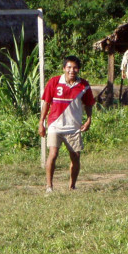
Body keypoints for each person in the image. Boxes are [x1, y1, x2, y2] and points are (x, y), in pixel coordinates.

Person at [38, 55, 95, 192]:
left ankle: (72, 186)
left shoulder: (83, 85)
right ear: (64, 68)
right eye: (69, 67)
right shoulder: (54, 82)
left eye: (75, 68)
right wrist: (41, 122)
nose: (71, 70)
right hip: (55, 125)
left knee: (75, 156)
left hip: (74, 127)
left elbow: (88, 104)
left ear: (78, 69)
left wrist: (89, 119)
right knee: (53, 154)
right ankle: (49, 186)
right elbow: (46, 102)